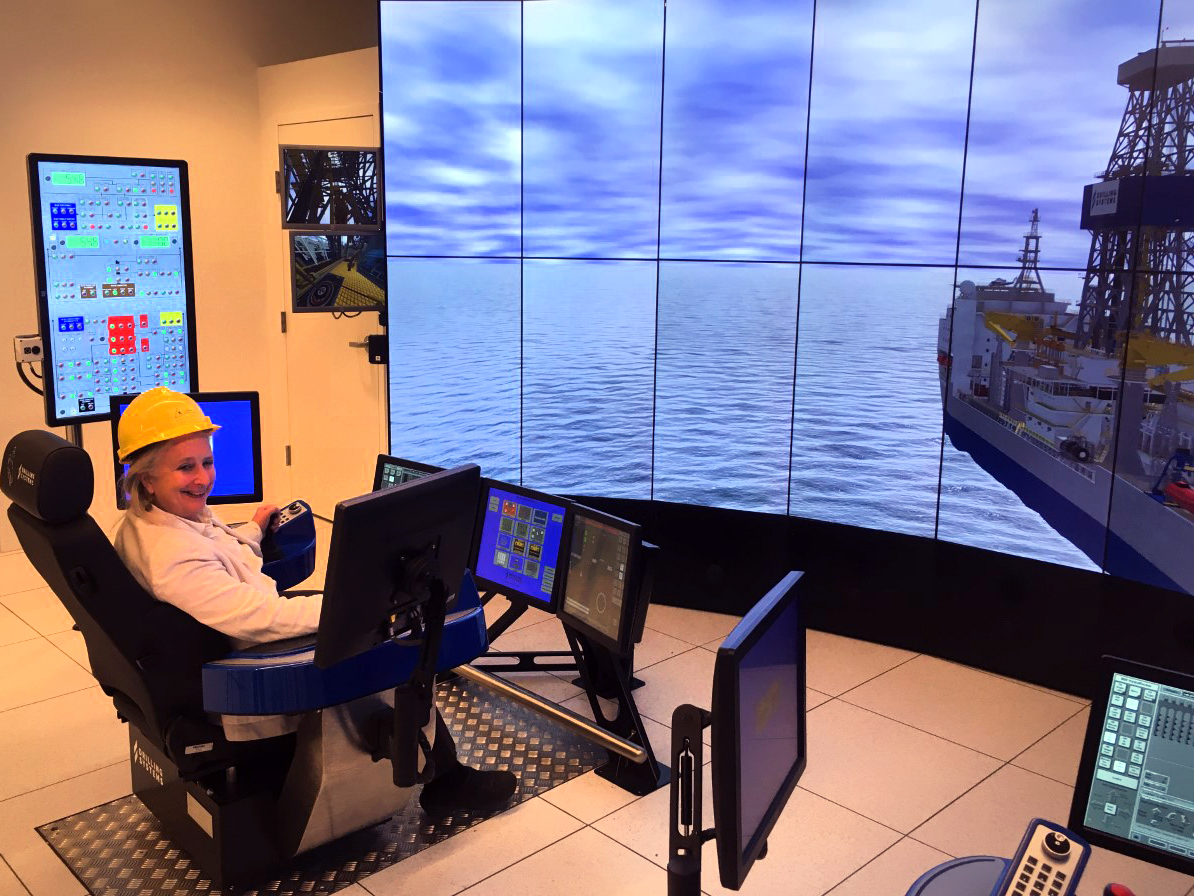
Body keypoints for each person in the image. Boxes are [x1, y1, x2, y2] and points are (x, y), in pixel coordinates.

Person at [110, 386, 515, 818]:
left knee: (354, 611)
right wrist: (358, 609)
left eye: (206, 462)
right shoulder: (172, 556)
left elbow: (216, 558)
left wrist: (254, 528)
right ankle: (445, 781)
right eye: (185, 467)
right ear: (147, 477)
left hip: (231, 640)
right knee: (397, 644)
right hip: (248, 666)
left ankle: (435, 762)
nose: (203, 478)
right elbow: (259, 617)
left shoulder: (153, 522)